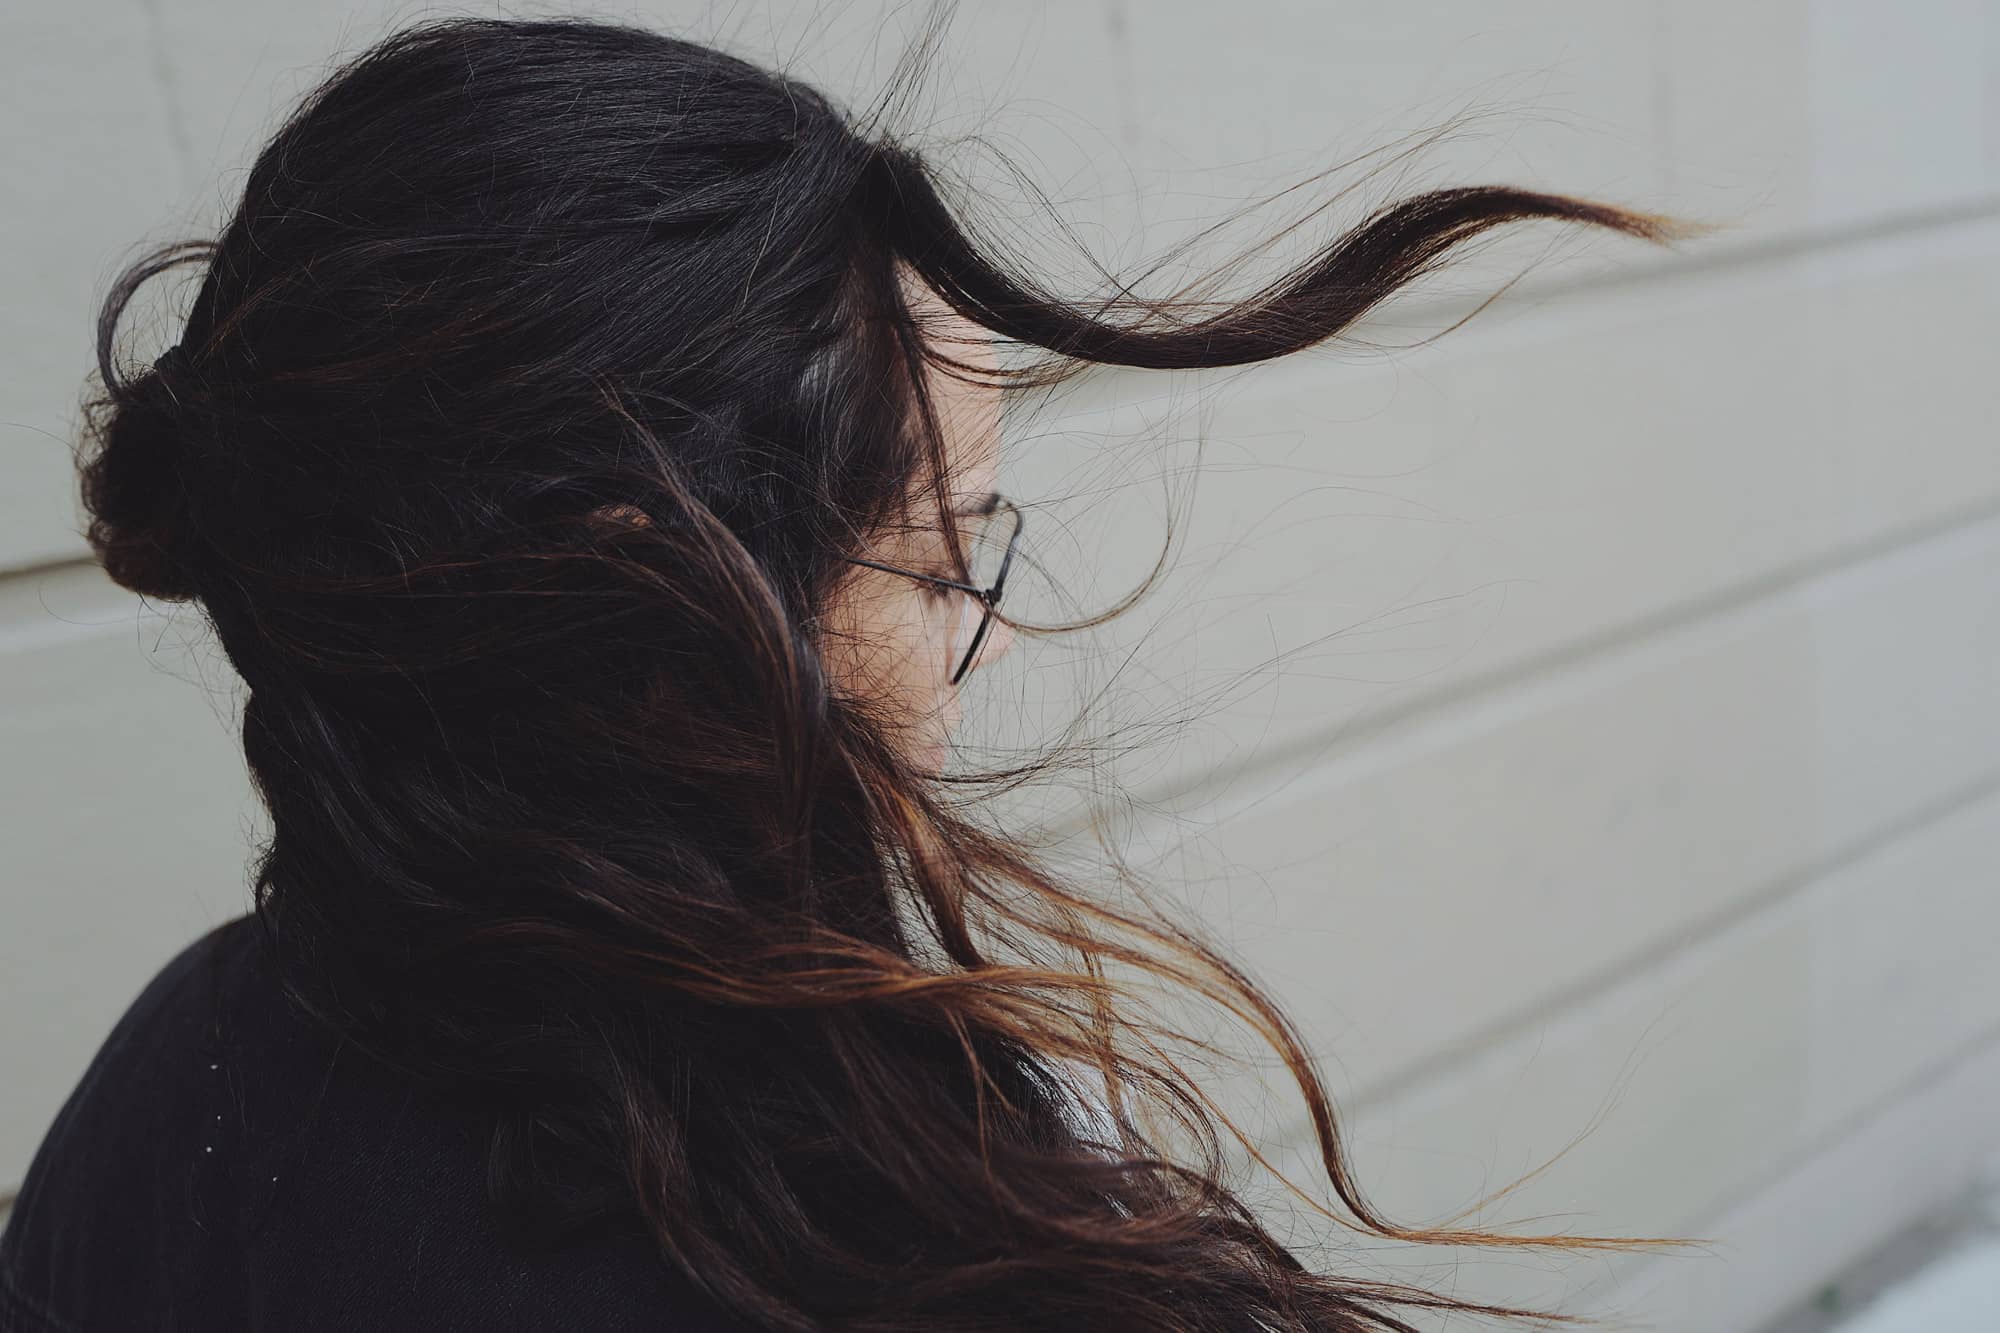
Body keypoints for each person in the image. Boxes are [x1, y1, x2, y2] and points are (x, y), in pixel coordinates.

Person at [0, 15, 1707, 1332]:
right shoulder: (877, 1233)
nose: (996, 623)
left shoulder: (171, 1081)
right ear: (664, 620)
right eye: (946, 544)